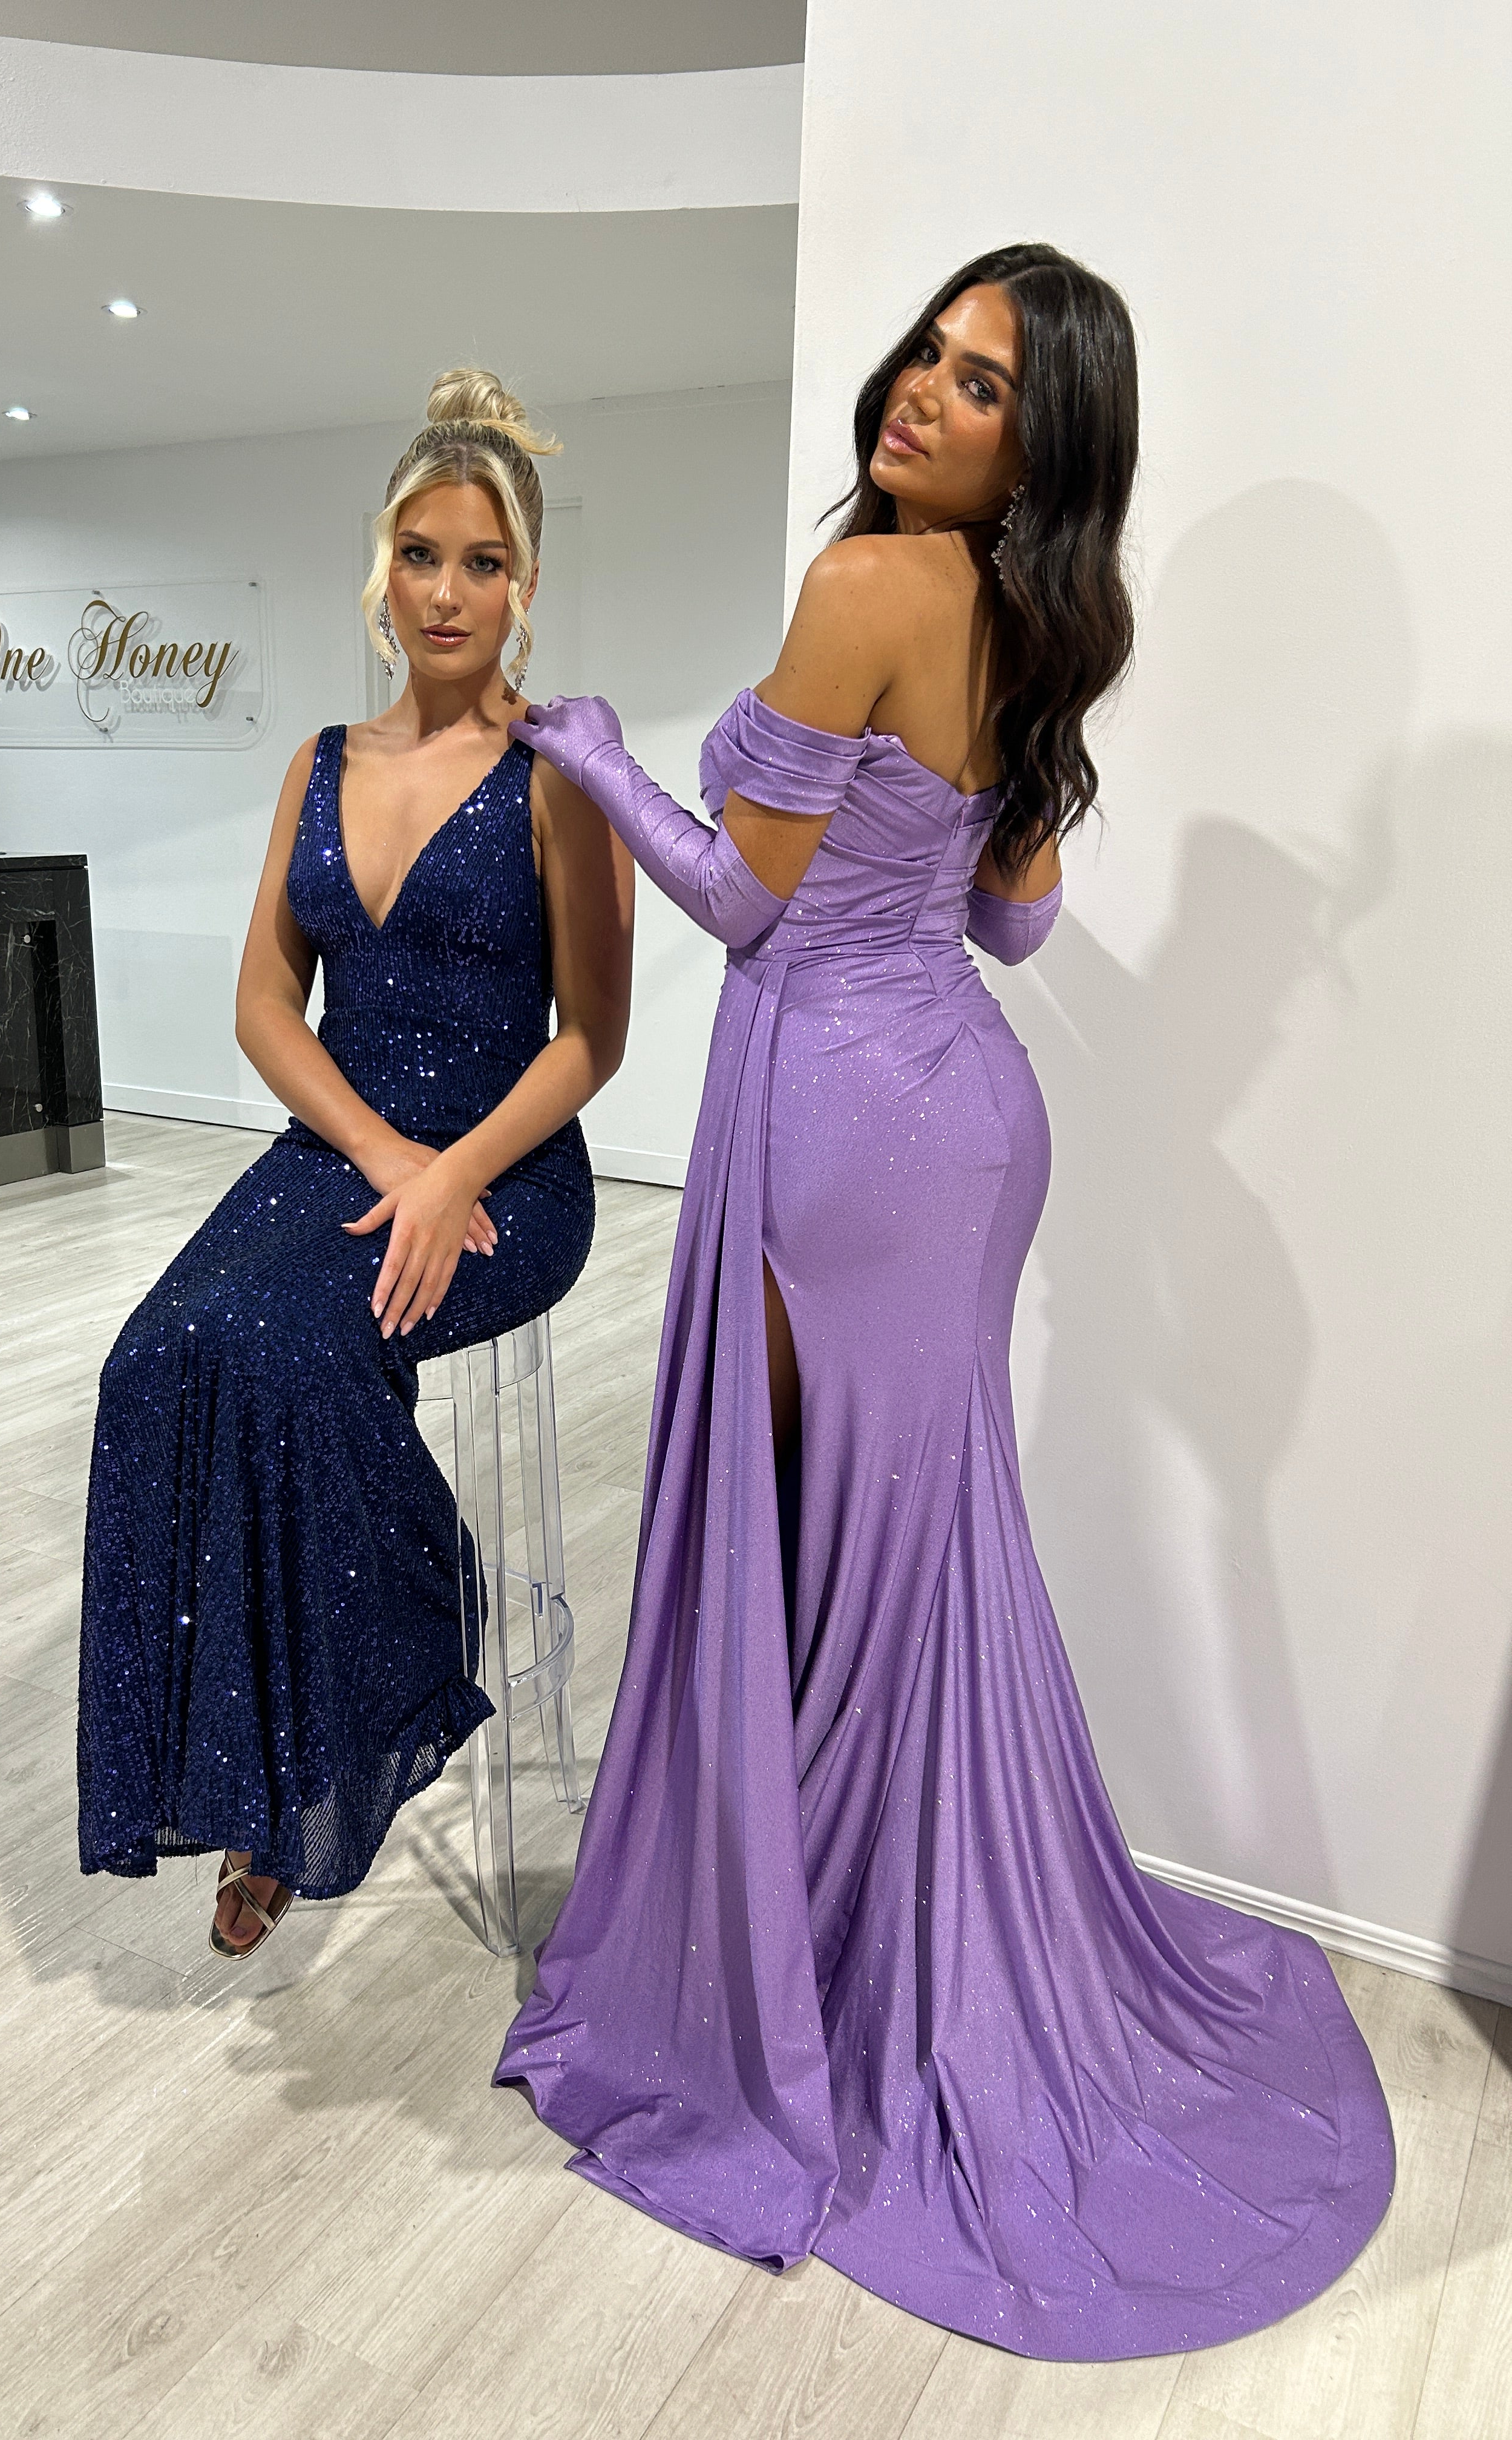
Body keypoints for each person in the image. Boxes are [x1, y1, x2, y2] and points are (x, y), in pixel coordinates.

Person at [496, 247, 1393, 2360]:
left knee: (830, 1568)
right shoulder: (1034, 623)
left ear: (1035, 445)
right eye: (928, 349)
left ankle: (828, 1989)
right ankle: (869, 1942)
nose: (918, 390)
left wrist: (607, 751)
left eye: (977, 383)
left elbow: (737, 898)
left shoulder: (878, 586)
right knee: (905, 1564)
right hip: (965, 1130)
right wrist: (956, 816)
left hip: (843, 1131)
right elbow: (1014, 921)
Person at [78, 370, 633, 1958]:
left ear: (523, 585)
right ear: (379, 573)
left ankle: (338, 1737)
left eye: (482, 560)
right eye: (421, 554)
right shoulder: (319, 759)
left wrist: (453, 1172)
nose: (448, 590)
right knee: (154, 1360)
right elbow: (265, 1002)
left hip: (509, 1164)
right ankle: (275, 1745)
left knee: (281, 1348)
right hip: (346, 1141)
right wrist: (387, 1150)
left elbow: (593, 1038)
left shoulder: (559, 780)